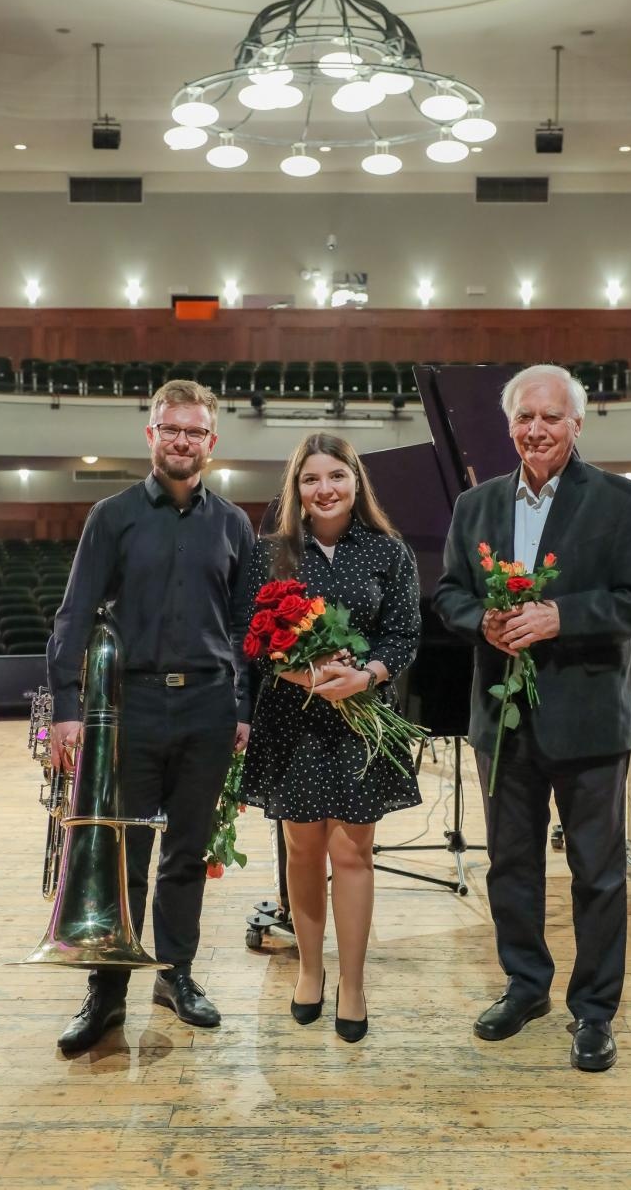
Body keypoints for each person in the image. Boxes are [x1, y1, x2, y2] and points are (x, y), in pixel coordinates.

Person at [433, 364, 631, 1072]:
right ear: (510, 426)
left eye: (551, 419)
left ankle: (593, 1011)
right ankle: (525, 985)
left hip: (590, 721)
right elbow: (447, 594)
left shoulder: (620, 501)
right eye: (525, 418)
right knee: (510, 865)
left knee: (596, 873)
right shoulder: (475, 505)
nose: (536, 430)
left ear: (576, 425)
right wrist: (485, 622)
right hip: (502, 719)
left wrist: (561, 616)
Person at [48, 379, 254, 1054]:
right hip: (129, 708)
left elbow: (247, 626)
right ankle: (106, 993)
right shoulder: (111, 516)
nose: (182, 441)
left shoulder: (234, 524)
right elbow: (75, 614)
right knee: (120, 855)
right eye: (171, 429)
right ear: (151, 436)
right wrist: (68, 711)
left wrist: (243, 709)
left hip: (206, 707)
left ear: (211, 443)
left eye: (195, 431)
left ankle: (177, 975)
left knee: (187, 853)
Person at [239, 432, 422, 1042]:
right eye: (310, 479)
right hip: (294, 719)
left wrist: (365, 675)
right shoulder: (272, 553)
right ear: (296, 489)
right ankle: (310, 972)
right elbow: (253, 637)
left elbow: (403, 634)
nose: (324, 489)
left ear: (355, 483)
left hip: (359, 720)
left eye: (335, 477)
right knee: (301, 851)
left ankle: (353, 982)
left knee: (353, 852)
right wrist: (304, 671)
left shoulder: (389, 552)